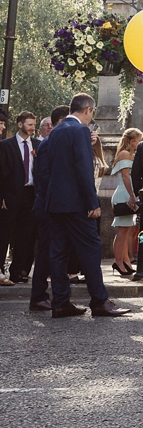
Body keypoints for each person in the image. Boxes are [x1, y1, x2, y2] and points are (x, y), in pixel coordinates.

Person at [37, 94, 129, 318]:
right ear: (88, 109)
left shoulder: (56, 130)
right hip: (77, 203)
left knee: (58, 252)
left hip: (55, 202)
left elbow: (48, 169)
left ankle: (60, 301)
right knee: (90, 250)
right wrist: (92, 203)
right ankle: (99, 300)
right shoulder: (80, 131)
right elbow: (83, 169)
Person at [27, 105, 68, 311]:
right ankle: (40, 295)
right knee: (46, 252)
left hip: (48, 204)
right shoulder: (50, 144)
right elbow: (46, 178)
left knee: (49, 250)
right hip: (48, 206)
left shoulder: (49, 143)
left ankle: (46, 295)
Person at [0, 110, 39, 285]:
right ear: (20, 124)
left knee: (25, 235)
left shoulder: (37, 145)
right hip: (10, 195)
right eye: (29, 125)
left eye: (34, 125)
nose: (32, 128)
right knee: (4, 233)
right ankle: (0, 271)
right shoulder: (6, 145)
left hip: (30, 195)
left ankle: (17, 272)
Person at [107, 128, 142, 277]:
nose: (139, 144)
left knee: (127, 230)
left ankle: (125, 261)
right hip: (124, 194)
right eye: (138, 141)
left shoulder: (128, 154)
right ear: (133, 141)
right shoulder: (125, 154)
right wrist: (132, 196)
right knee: (122, 231)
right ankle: (119, 261)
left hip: (127, 193)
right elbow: (126, 177)